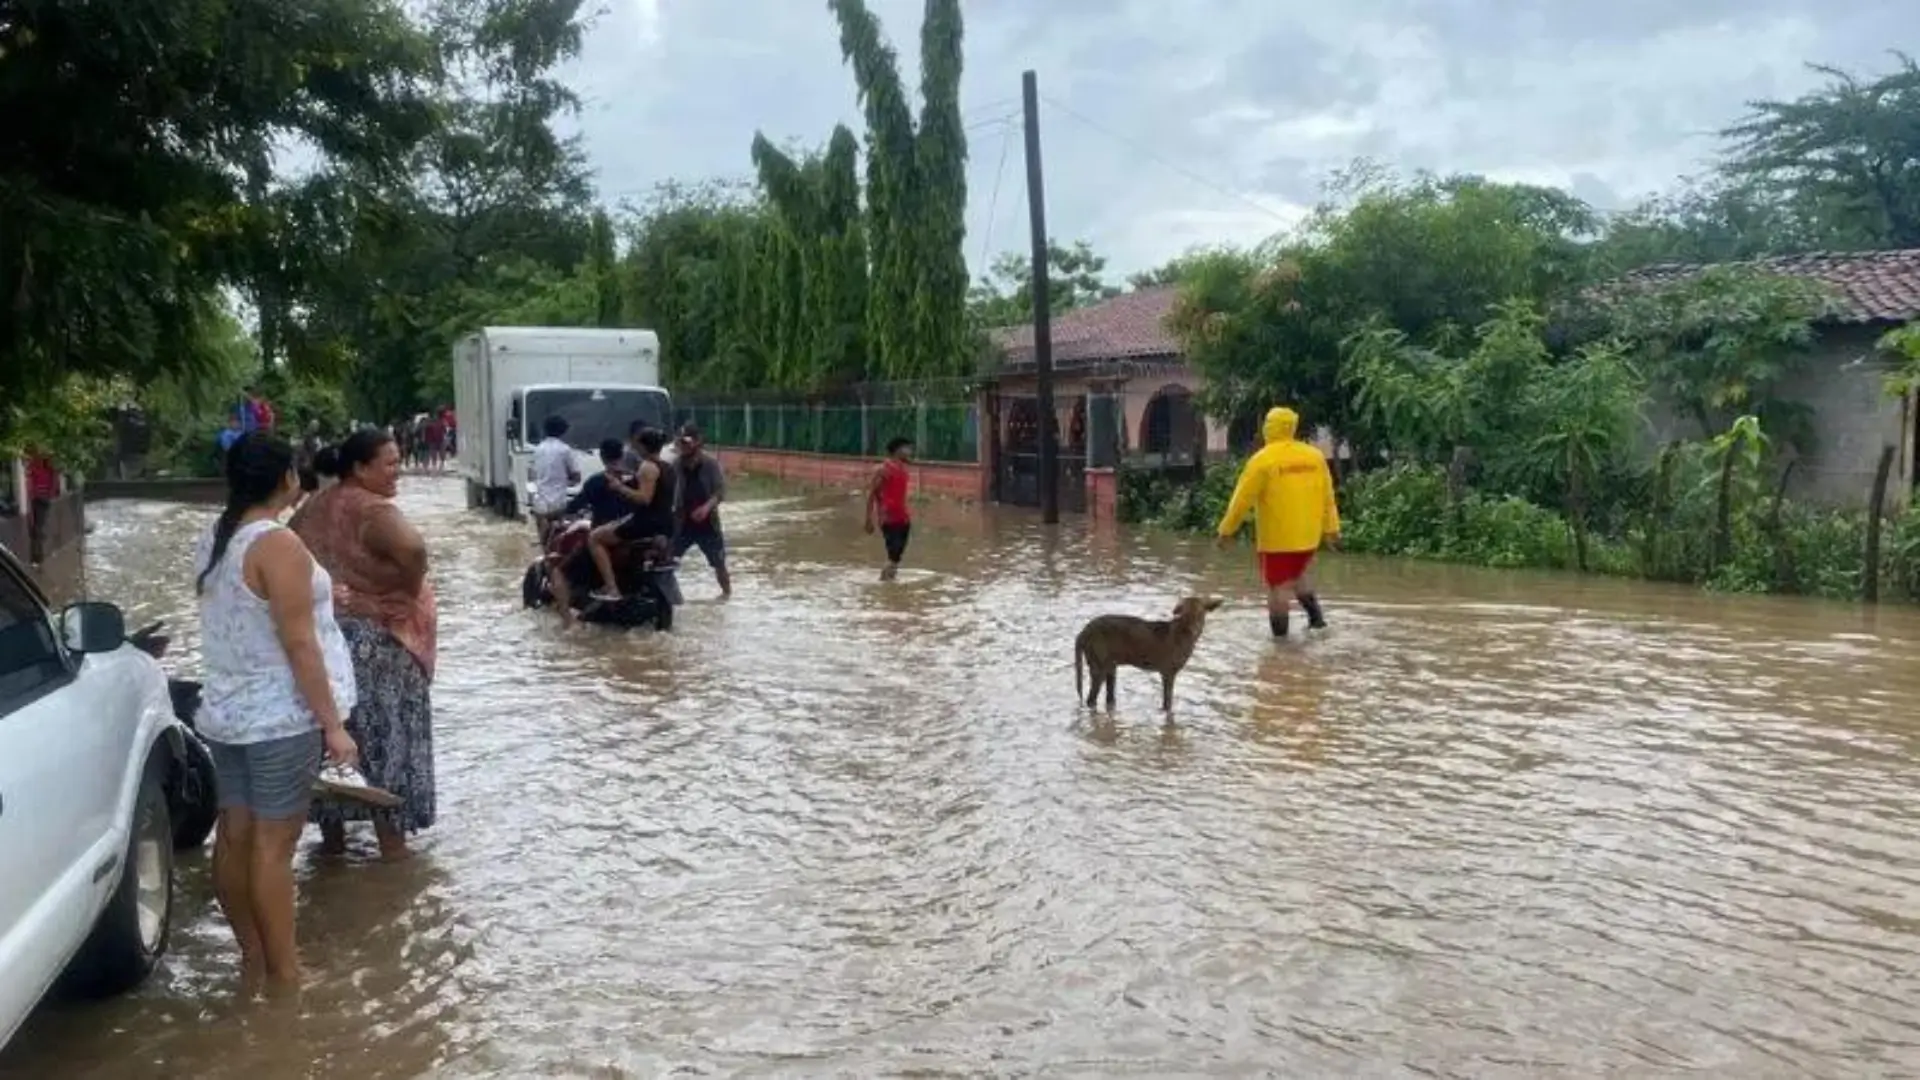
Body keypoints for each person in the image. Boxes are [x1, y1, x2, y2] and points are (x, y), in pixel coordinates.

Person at [193, 431, 359, 991]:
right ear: (285, 478)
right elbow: (299, 645)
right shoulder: (278, 544)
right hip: (278, 720)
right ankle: (288, 976)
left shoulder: (218, 538)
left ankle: (253, 958)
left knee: (234, 836)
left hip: (226, 712)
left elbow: (250, 613)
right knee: (274, 847)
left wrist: (319, 598)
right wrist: (333, 724)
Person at [290, 428, 438, 861]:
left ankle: (332, 847)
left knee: (336, 744)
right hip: (377, 645)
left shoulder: (311, 508)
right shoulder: (374, 510)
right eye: (390, 463)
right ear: (359, 467)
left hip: (327, 645)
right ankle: (393, 856)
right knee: (388, 739)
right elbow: (414, 550)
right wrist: (402, 589)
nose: (399, 471)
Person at [1215, 406, 1341, 638]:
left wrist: (1226, 530)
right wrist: (1331, 529)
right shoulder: (1314, 456)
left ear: (1268, 428)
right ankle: (1318, 623)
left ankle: (1280, 645)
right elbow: (1328, 496)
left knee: (1278, 588)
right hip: (1308, 538)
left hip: (1278, 539)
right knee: (1297, 576)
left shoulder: (1262, 460)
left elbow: (1241, 500)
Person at [587, 427, 677, 604]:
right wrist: (628, 481)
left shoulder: (647, 466)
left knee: (594, 538)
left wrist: (619, 487)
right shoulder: (668, 467)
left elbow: (644, 498)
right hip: (666, 523)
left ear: (642, 446)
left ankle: (611, 588)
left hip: (645, 522)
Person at [671, 423, 730, 599]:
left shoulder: (711, 464)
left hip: (708, 524)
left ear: (697, 442)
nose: (683, 446)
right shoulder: (676, 465)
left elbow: (720, 492)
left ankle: (727, 597)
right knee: (668, 561)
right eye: (680, 442)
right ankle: (672, 599)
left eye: (687, 442)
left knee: (719, 564)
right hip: (682, 524)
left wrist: (706, 508)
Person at [865, 436, 914, 581]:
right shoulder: (883, 470)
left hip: (903, 518)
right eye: (907, 448)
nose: (910, 451)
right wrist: (868, 519)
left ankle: (890, 584)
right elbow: (872, 494)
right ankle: (883, 584)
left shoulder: (903, 469)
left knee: (896, 556)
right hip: (889, 519)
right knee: (893, 556)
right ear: (898, 450)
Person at [530, 414, 578, 543]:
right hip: (559, 502)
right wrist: (569, 481)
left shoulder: (538, 449)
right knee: (560, 538)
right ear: (563, 431)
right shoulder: (565, 450)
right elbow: (576, 476)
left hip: (540, 501)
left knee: (542, 541)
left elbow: (533, 474)